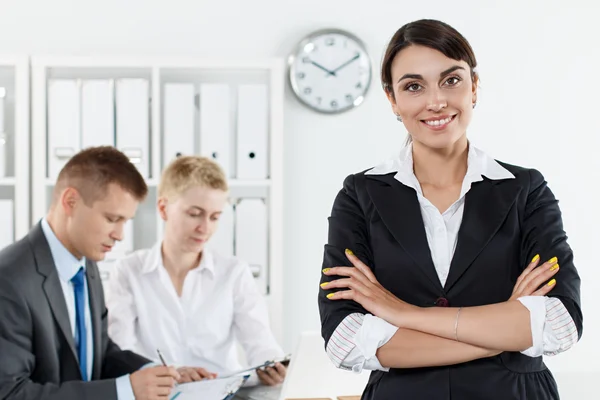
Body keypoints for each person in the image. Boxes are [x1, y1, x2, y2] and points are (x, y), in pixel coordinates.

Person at [318, 19, 582, 400]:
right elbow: (345, 339)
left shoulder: (526, 190)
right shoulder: (360, 195)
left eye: (451, 80)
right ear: (392, 99)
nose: (436, 101)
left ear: (474, 87)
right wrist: (504, 327)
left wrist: (404, 314)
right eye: (413, 86)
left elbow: (559, 322)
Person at [0, 146, 202, 400]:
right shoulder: (9, 279)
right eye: (111, 219)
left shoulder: (86, 262)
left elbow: (99, 352)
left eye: (125, 221)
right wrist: (124, 391)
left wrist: (155, 374)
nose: (119, 235)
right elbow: (9, 393)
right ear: (70, 202)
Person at [107, 155, 287, 392]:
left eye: (214, 217)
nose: (205, 228)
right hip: (160, 395)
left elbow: (261, 345)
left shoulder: (233, 273)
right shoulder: (129, 271)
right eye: (194, 214)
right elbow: (120, 353)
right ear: (163, 208)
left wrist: (272, 366)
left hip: (224, 393)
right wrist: (171, 373)